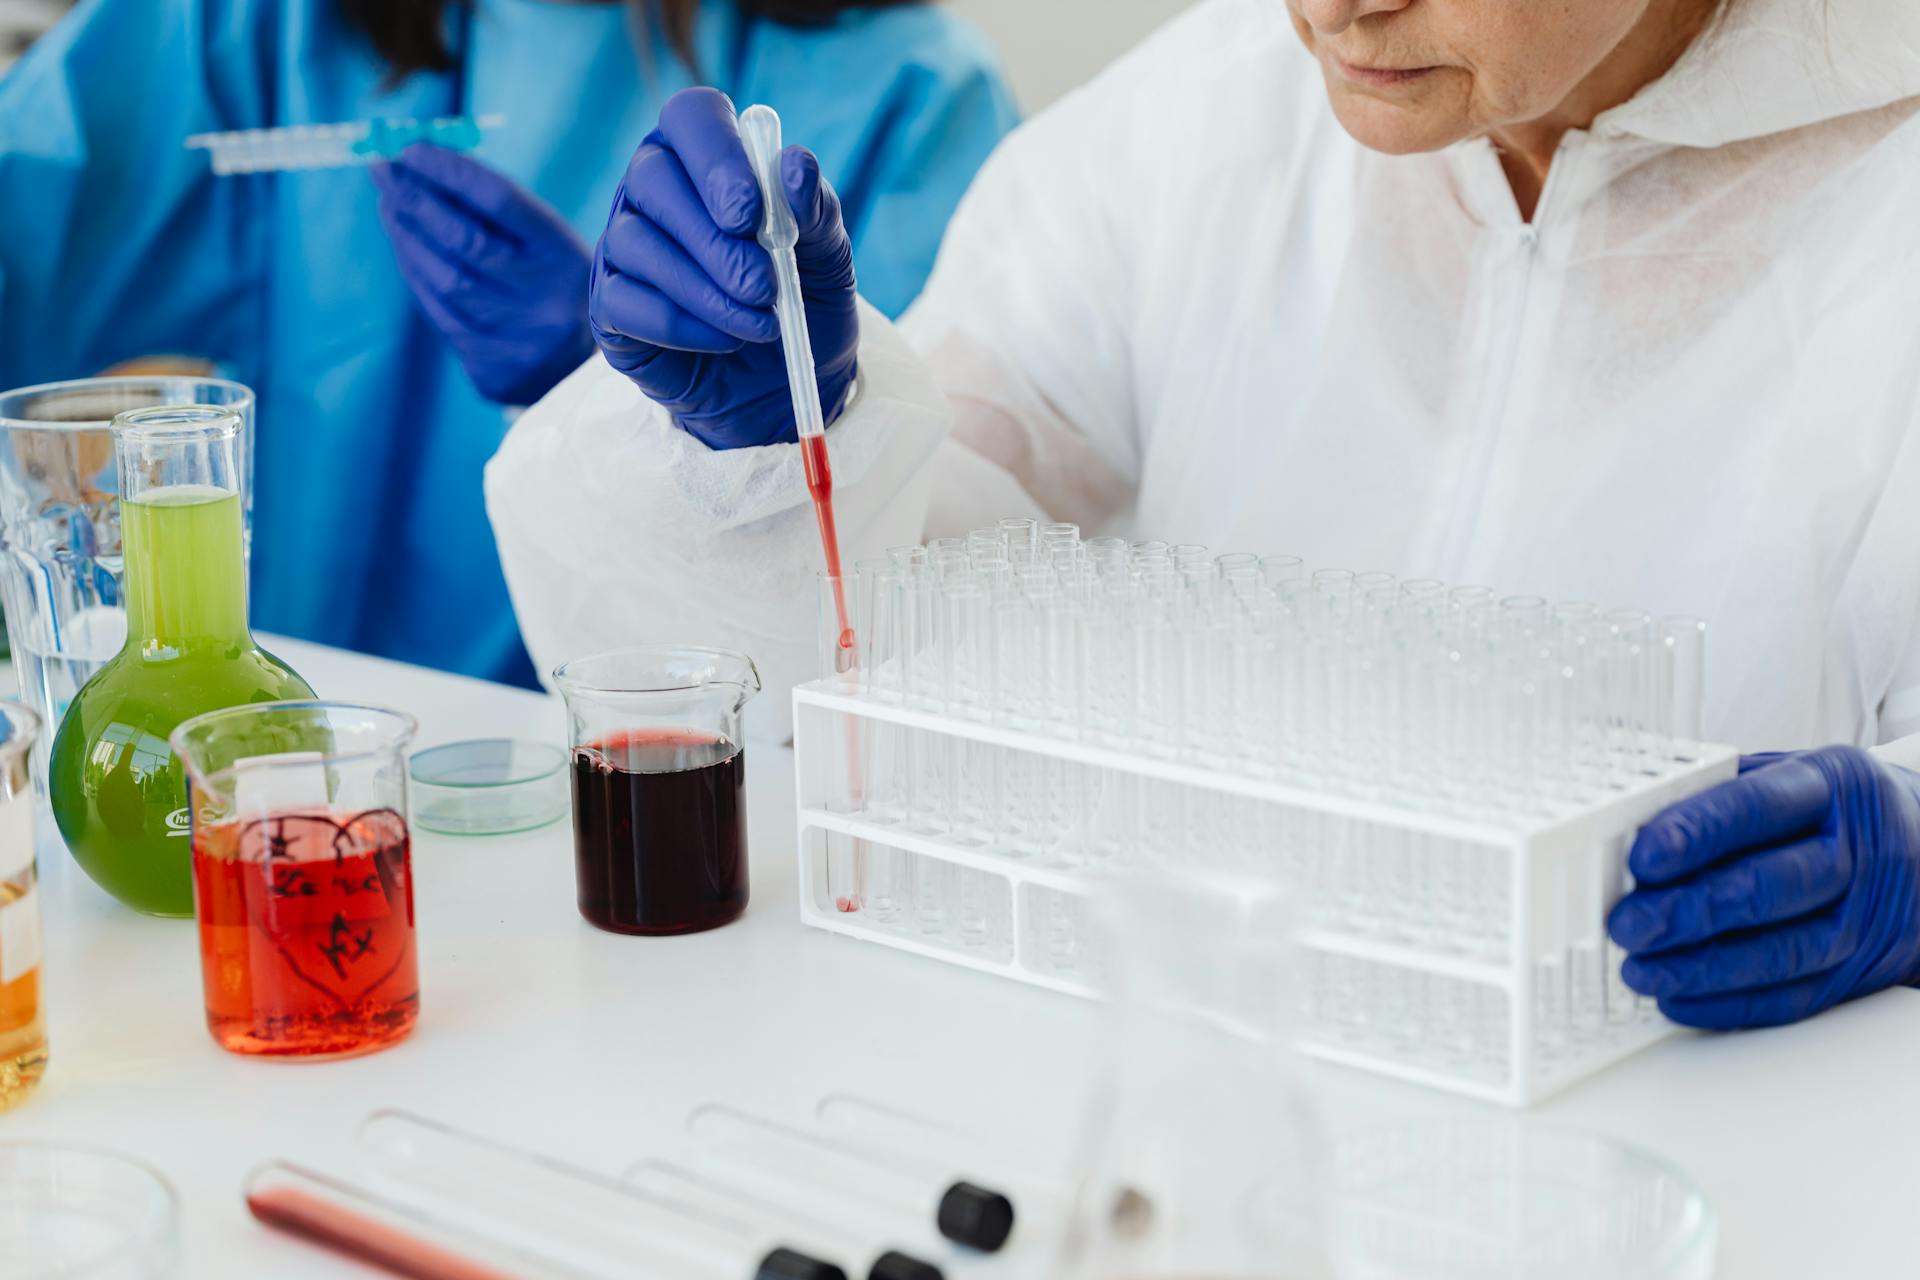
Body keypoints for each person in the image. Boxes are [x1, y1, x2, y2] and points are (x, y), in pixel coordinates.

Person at [488, 0, 1920, 1030]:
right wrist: (769, 437)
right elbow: (900, 598)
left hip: (1697, 1150)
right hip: (1198, 1092)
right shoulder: (1202, 117)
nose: (1340, 9)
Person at [0, 0, 1015, 685]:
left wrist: (634, 411)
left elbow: (928, 587)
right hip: (302, 766)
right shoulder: (256, 29)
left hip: (677, 801)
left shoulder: (909, 94)